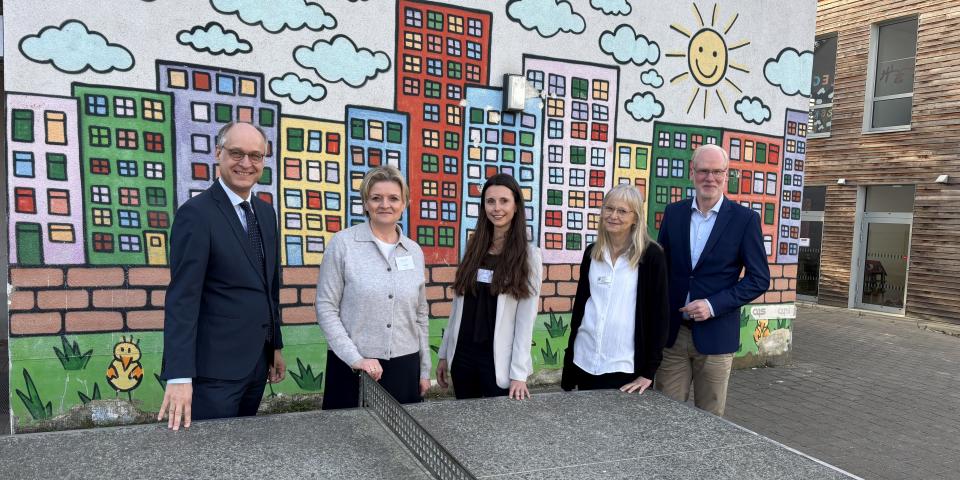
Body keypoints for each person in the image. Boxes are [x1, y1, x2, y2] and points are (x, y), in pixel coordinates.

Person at [159, 122, 286, 430]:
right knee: (208, 458)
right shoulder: (196, 214)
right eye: (236, 153)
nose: (246, 163)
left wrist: (275, 346)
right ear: (218, 154)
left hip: (257, 365)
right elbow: (182, 299)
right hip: (213, 373)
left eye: (255, 155)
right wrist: (179, 375)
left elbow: (269, 286)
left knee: (240, 452)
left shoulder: (266, 214)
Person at [655, 144, 770, 416]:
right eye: (704, 171)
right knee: (663, 414)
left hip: (716, 336)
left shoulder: (745, 220)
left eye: (717, 172)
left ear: (726, 175)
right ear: (692, 173)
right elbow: (661, 268)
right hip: (674, 334)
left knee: (710, 421)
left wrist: (713, 304)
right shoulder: (674, 213)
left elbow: (759, 279)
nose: (710, 178)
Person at [315, 166, 430, 409]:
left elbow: (420, 314)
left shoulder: (414, 251)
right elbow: (326, 307)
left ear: (404, 204)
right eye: (376, 198)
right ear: (365, 203)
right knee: (350, 441)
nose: (385, 205)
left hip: (405, 366)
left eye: (393, 198)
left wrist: (424, 369)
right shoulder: (343, 244)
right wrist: (354, 358)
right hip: (353, 367)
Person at [436, 174, 543, 400]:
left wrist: (519, 374)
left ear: (516, 206)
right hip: (463, 357)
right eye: (490, 201)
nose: (496, 208)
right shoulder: (474, 247)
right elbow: (457, 308)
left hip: (497, 360)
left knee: (499, 429)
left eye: (504, 201)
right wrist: (445, 354)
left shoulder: (529, 256)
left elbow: (526, 319)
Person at [560, 184, 669, 393]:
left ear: (635, 218)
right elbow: (581, 308)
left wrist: (648, 372)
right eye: (608, 209)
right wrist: (569, 361)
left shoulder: (652, 256)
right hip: (585, 358)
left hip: (624, 365)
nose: (613, 216)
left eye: (622, 211)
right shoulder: (592, 253)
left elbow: (660, 316)